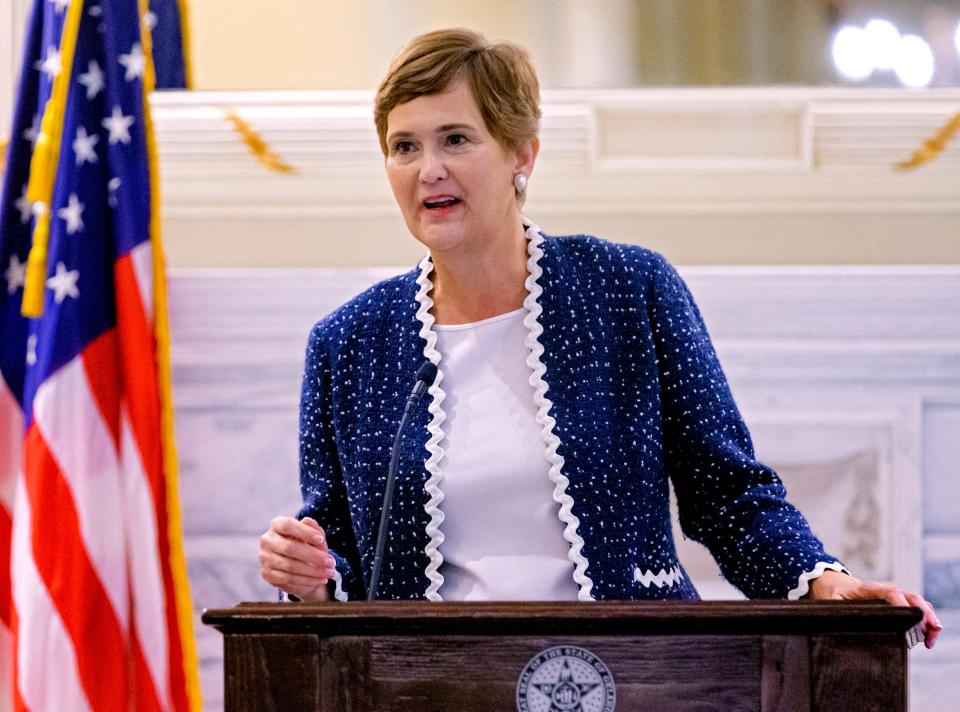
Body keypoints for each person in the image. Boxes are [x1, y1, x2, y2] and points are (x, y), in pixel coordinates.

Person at [258, 28, 941, 647]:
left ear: (521, 155)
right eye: (404, 147)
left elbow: (726, 491)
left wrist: (822, 582)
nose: (427, 168)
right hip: (430, 680)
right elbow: (340, 549)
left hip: (635, 666)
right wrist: (310, 573)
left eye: (456, 139)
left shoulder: (629, 289)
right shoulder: (348, 342)